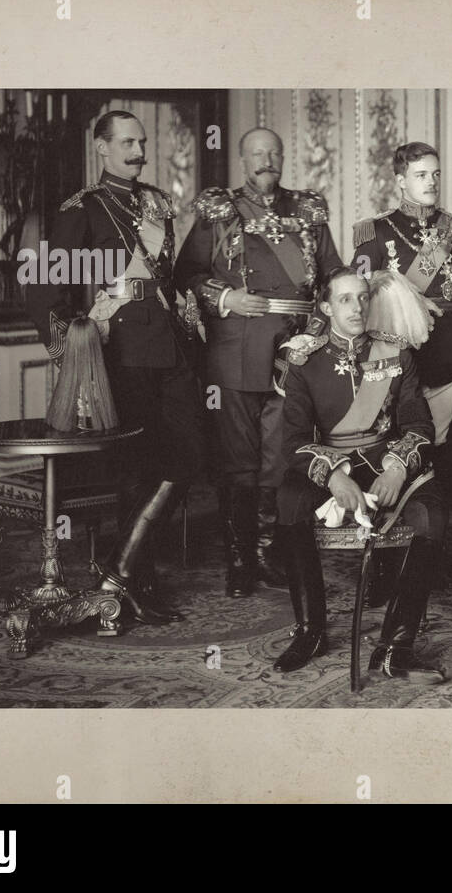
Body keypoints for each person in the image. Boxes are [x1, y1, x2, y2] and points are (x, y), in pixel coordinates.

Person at [26, 109, 205, 628]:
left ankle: (118, 573)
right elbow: (43, 285)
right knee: (140, 468)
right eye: (126, 142)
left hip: (172, 348)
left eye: (141, 142)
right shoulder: (83, 209)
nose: (137, 151)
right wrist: (75, 336)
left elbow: (173, 277)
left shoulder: (156, 203)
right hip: (123, 353)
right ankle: (136, 586)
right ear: (100, 147)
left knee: (189, 456)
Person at [173, 127, 343, 598]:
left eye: (274, 152)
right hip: (237, 343)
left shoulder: (307, 210)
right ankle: (239, 560)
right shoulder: (219, 209)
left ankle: (270, 551)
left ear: (284, 157)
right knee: (238, 459)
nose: (266, 160)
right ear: (243, 160)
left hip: (297, 347)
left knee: (280, 456)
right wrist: (226, 296)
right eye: (257, 154)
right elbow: (187, 273)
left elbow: (331, 272)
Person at [271, 268, 446, 684]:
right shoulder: (303, 362)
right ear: (327, 307)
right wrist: (333, 475)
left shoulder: (396, 353)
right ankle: (311, 630)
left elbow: (420, 428)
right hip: (331, 458)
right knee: (288, 502)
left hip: (386, 457)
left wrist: (399, 468)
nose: (357, 307)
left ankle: (394, 647)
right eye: (346, 299)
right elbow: (293, 440)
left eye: (363, 297)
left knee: (433, 515)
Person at [351, 141, 452, 445]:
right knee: (397, 437)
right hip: (397, 352)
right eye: (421, 175)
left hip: (450, 351)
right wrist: (407, 297)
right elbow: (356, 291)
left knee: (443, 445)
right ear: (401, 181)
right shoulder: (376, 230)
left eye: (436, 174)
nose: (431, 182)